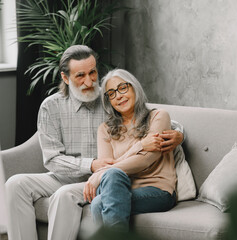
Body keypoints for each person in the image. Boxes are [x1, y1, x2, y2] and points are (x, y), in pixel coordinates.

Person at [5, 45, 184, 240]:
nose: (89, 81)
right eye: (80, 76)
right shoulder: (51, 106)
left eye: (92, 72)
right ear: (66, 78)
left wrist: (178, 133)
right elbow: (52, 159)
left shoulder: (109, 96)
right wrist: (90, 165)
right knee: (15, 184)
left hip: (105, 176)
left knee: (65, 195)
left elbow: (144, 116)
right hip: (72, 174)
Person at [83, 69, 177, 231]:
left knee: (103, 194)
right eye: (111, 93)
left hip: (158, 190)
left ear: (134, 88)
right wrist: (139, 146)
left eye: (122, 88)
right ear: (108, 101)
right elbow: (109, 170)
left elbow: (146, 159)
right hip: (120, 188)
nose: (118, 96)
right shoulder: (105, 129)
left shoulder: (158, 116)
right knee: (102, 193)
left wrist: (102, 173)